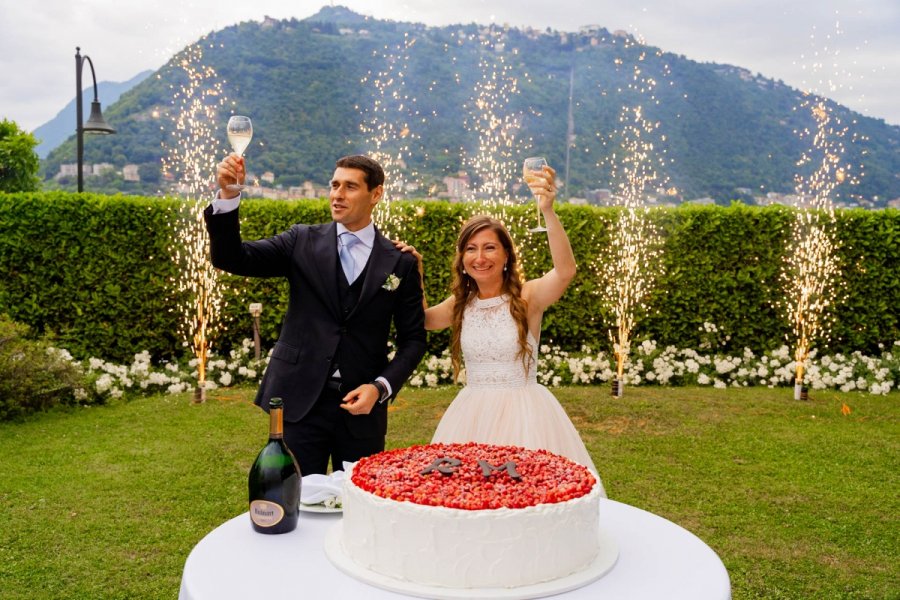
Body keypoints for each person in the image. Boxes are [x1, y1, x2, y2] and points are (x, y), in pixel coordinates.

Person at [205, 152, 427, 475]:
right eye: (334, 185)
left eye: (350, 187)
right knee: (295, 501)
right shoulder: (301, 241)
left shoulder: (399, 262)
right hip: (299, 400)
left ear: (376, 194)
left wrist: (379, 388)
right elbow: (233, 257)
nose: (337, 194)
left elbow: (414, 340)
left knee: (357, 504)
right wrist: (228, 195)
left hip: (362, 409)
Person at [398, 163, 604, 495]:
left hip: (526, 414)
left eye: (489, 247)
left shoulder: (528, 296)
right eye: (471, 248)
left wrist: (547, 211)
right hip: (471, 413)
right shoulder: (460, 302)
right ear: (462, 257)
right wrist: (415, 272)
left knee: (525, 494)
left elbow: (565, 272)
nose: (480, 257)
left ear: (506, 254)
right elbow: (424, 319)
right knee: (468, 495)